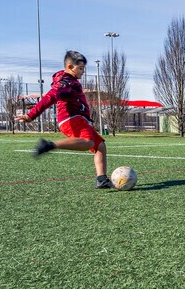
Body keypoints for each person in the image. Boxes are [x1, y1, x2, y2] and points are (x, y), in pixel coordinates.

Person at [14, 50, 113, 189]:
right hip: (72, 118)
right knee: (89, 142)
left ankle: (102, 179)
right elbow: (50, 97)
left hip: (76, 119)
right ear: (70, 67)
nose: (83, 72)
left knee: (100, 146)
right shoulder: (66, 82)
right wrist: (31, 115)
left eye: (84, 68)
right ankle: (50, 145)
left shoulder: (69, 81)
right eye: (80, 68)